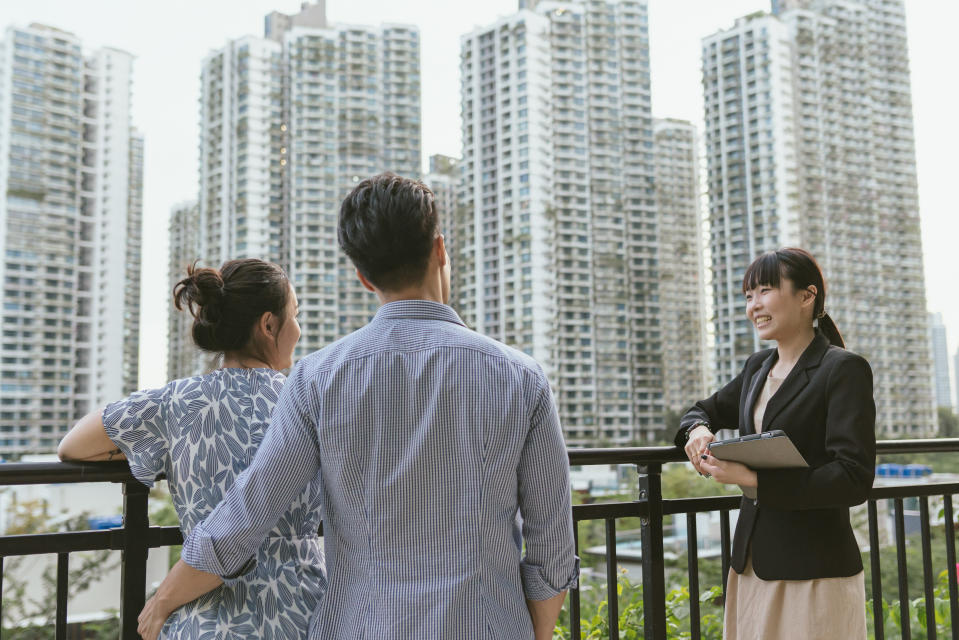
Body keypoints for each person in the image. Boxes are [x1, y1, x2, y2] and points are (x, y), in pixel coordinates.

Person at [136, 173, 579, 640]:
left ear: (363, 276)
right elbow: (551, 543)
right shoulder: (520, 376)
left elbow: (247, 514)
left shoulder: (316, 378)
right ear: (440, 250)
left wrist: (163, 600)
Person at [58, 258, 325, 640]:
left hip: (205, 625)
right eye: (295, 316)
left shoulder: (177, 402)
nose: (298, 329)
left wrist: (151, 449)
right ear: (268, 325)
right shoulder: (305, 401)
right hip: (304, 618)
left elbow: (72, 445)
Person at [676, 248, 875, 639]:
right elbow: (701, 410)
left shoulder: (843, 369)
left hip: (813, 569)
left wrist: (753, 481)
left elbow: (853, 476)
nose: (754, 306)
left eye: (765, 291)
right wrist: (697, 430)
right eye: (749, 295)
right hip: (751, 564)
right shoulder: (758, 367)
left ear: (807, 296)